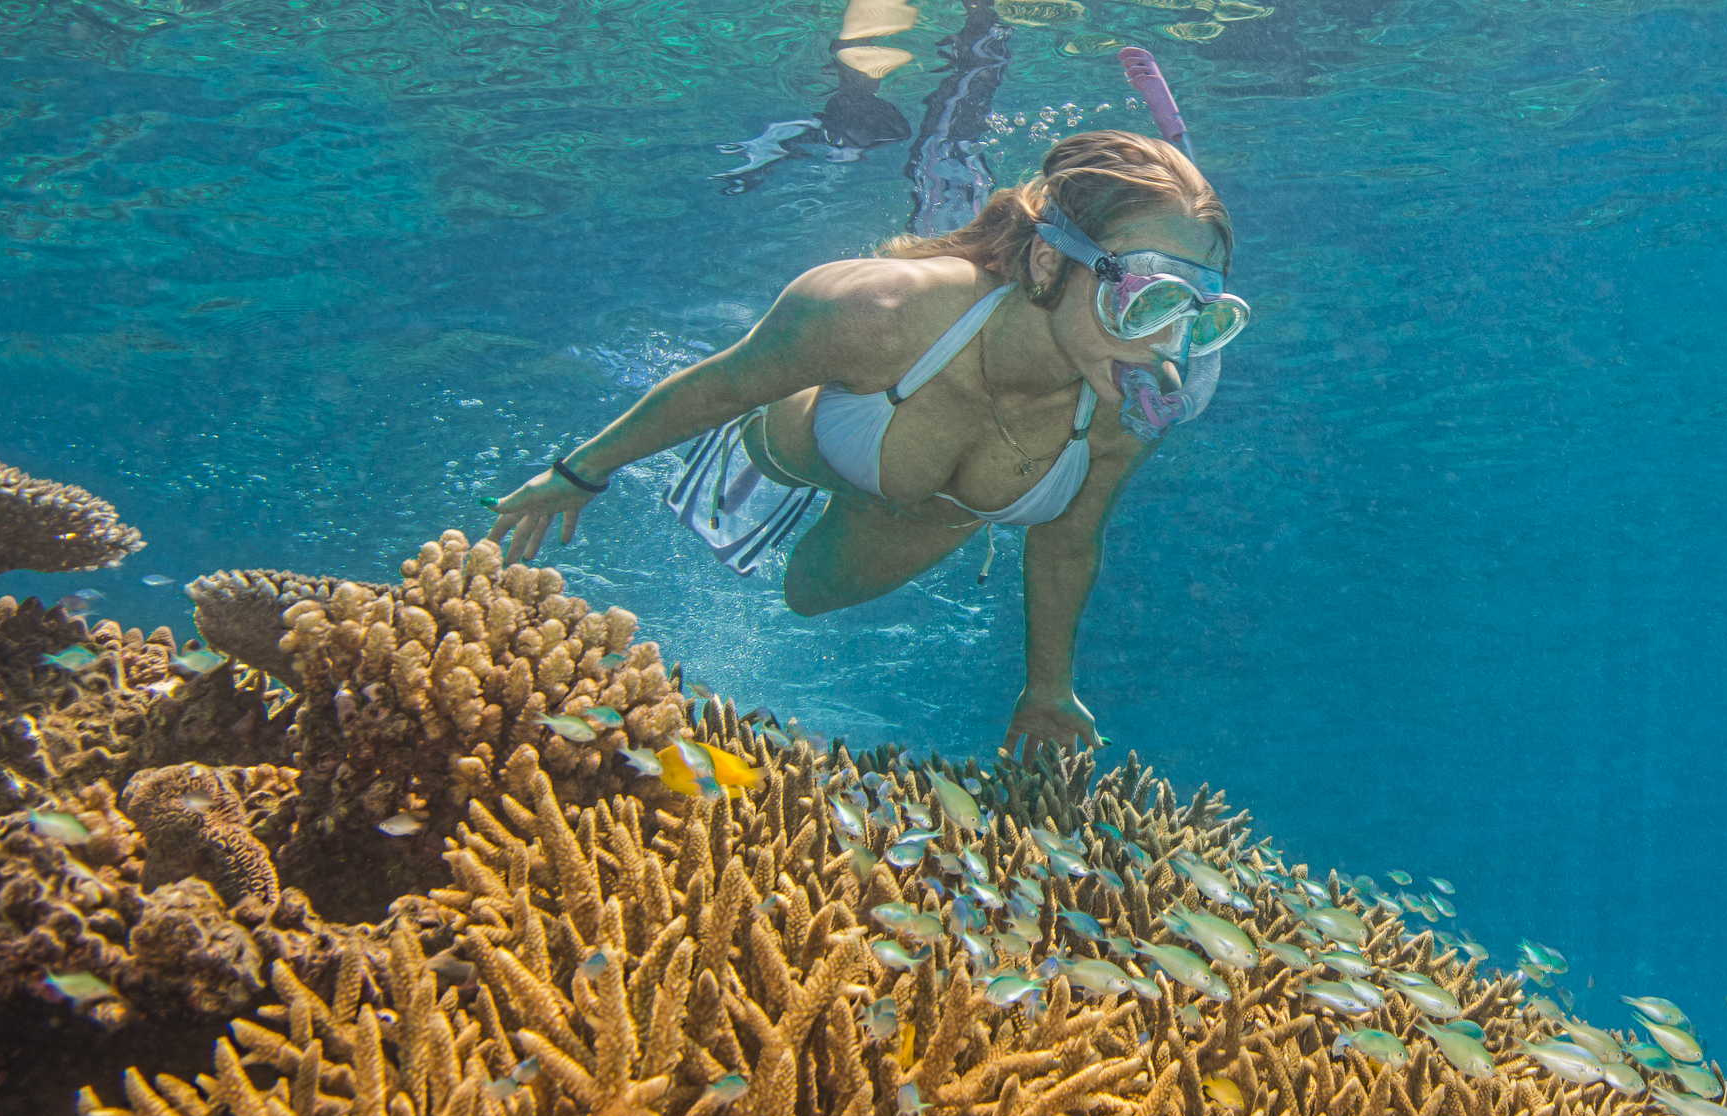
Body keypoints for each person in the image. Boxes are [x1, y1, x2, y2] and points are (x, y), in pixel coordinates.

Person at [483, 130, 1245, 761]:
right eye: (1145, 299)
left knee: (806, 596)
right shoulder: (876, 309)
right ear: (1049, 260)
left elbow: (1069, 539)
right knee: (735, 484)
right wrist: (579, 471)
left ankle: (955, 502)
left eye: (1196, 316)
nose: (1166, 347)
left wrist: (1048, 685)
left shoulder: (1126, 406)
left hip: (929, 510)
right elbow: (724, 385)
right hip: (799, 441)